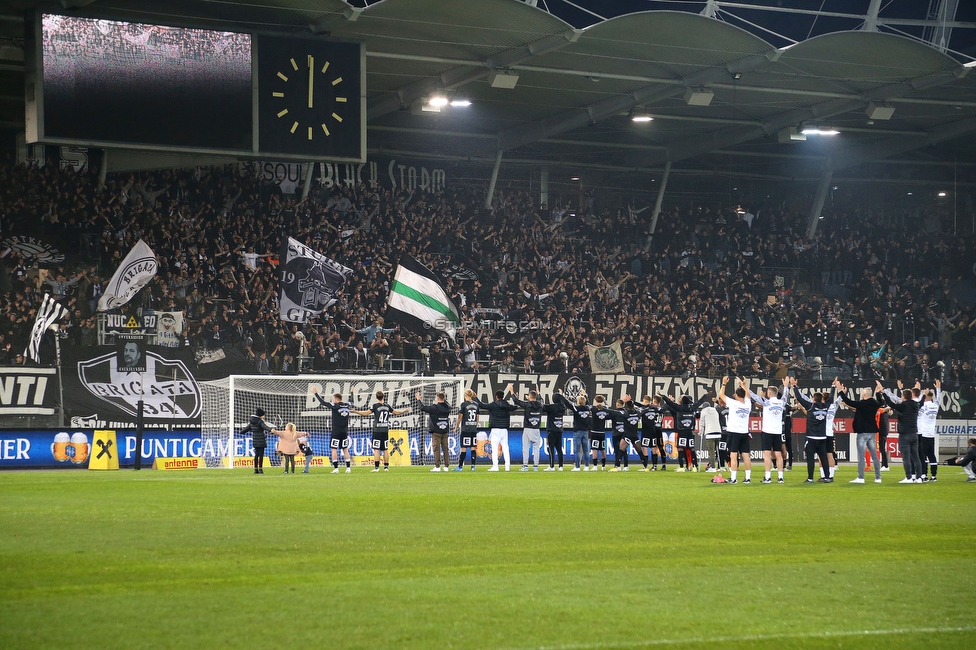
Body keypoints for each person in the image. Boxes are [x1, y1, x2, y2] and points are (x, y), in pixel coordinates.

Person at [352, 390, 411, 472]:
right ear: (383, 397)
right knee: (385, 449)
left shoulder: (375, 406)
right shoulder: (387, 406)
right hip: (385, 430)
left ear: (376, 397)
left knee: (376, 449)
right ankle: (386, 467)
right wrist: (404, 411)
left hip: (377, 430)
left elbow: (366, 413)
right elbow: (396, 412)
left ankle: (376, 468)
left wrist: (356, 411)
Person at [838, 379, 883, 484]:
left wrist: (841, 392)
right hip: (872, 432)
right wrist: (878, 393)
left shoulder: (862, 404)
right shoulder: (875, 403)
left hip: (862, 432)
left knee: (861, 455)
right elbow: (881, 402)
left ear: (864, 394)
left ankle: (861, 477)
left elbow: (849, 402)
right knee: (874, 455)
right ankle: (878, 477)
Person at [879, 381, 924, 484]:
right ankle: (919, 477)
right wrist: (922, 393)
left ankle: (908, 478)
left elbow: (890, 403)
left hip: (904, 434)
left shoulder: (903, 406)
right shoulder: (916, 405)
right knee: (916, 457)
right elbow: (921, 401)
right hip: (914, 434)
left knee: (906, 457)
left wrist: (883, 393)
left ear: (904, 397)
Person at [791, 383, 834, 484]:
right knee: (823, 458)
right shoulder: (825, 406)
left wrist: (794, 387)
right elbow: (831, 399)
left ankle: (810, 478)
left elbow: (800, 399)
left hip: (811, 438)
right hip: (822, 437)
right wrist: (833, 387)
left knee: (810, 459)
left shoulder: (810, 406)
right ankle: (827, 477)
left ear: (814, 399)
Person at [749, 378, 789, 484]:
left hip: (767, 432)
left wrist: (744, 386)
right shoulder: (782, 402)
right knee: (778, 454)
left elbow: (753, 395)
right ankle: (780, 477)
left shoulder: (766, 402)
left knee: (767, 455)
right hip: (777, 432)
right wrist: (786, 386)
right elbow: (786, 395)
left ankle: (768, 477)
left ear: (769, 393)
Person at [660, 392, 710, 472]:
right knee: (692, 449)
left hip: (682, 431)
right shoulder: (692, 408)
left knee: (680, 448)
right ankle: (695, 466)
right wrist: (705, 396)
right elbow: (699, 402)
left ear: (682, 402)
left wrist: (663, 396)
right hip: (690, 432)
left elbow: (670, 403)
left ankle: (681, 467)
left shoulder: (679, 408)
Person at [311, 387, 353, 474]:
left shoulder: (335, 406)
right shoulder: (347, 405)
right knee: (345, 449)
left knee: (334, 449)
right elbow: (352, 401)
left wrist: (315, 393)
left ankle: (336, 468)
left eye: (333, 399)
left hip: (336, 431)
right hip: (344, 431)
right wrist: (352, 392)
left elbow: (323, 402)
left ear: (335, 399)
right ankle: (348, 468)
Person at [721, 377, 753, 484]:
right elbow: (748, 394)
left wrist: (724, 383)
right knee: (746, 456)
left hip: (734, 432)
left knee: (733, 455)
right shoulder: (748, 404)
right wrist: (743, 384)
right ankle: (747, 478)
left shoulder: (734, 403)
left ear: (737, 395)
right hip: (744, 432)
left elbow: (721, 396)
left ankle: (733, 478)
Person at [481, 384, 518, 471]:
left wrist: (475, 398)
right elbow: (516, 407)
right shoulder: (507, 405)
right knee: (505, 448)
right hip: (504, 429)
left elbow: (482, 405)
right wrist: (516, 399)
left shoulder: (493, 405)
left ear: (496, 396)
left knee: (494, 448)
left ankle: (495, 466)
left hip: (495, 429)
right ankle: (507, 466)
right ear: (503, 396)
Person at [415, 390, 452, 472]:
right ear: (444, 398)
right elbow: (449, 405)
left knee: (436, 449)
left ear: (437, 398)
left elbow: (422, 408)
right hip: (445, 431)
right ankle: (446, 466)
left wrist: (418, 399)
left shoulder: (434, 407)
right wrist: (444, 398)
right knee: (446, 449)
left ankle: (437, 466)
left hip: (436, 432)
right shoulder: (447, 408)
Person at [511, 386, 544, 472]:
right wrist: (538, 393)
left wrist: (511, 391)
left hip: (528, 428)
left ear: (529, 397)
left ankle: (525, 466)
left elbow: (516, 401)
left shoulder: (527, 404)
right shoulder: (540, 404)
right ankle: (536, 466)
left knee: (525, 448)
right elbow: (541, 400)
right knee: (536, 448)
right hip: (536, 428)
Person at [917, 380, 941, 481]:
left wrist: (920, 392)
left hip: (923, 434)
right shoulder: (935, 405)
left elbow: (916, 404)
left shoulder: (924, 406)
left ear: (926, 396)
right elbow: (938, 399)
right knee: (932, 455)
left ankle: (924, 475)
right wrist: (938, 389)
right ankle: (934, 475)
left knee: (923, 456)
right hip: (931, 434)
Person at [454, 389, 483, 471]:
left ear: (465, 395)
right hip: (473, 429)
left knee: (463, 448)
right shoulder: (476, 404)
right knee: (473, 447)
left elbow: (460, 417)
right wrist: (475, 425)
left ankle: (460, 467)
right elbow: (477, 417)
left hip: (465, 429)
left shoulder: (463, 404)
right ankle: (473, 466)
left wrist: (456, 426)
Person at [542, 390, 570, 471]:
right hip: (559, 430)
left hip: (551, 430)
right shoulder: (563, 407)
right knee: (559, 449)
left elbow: (542, 406)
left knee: (550, 448)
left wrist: (540, 396)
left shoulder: (551, 407)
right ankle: (561, 466)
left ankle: (551, 466)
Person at [638, 395, 667, 471]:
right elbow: (663, 409)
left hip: (649, 430)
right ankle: (656, 466)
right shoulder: (657, 409)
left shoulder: (649, 408)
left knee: (647, 447)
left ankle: (646, 467)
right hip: (655, 430)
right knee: (655, 447)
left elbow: (642, 408)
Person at [565, 392, 592, 471]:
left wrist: (565, 397)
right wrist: (586, 396)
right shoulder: (587, 408)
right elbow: (588, 404)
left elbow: (568, 404)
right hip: (585, 432)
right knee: (586, 450)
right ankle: (587, 466)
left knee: (577, 450)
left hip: (577, 431)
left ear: (578, 402)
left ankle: (577, 466)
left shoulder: (576, 408)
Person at [246, 407, 274, 475]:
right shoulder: (260, 421)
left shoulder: (251, 422)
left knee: (256, 455)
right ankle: (260, 469)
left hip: (255, 440)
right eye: (263, 415)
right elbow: (264, 427)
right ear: (261, 415)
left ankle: (255, 469)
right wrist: (270, 430)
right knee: (261, 455)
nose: (264, 416)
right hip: (261, 440)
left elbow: (245, 430)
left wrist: (245, 431)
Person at [588, 395, 611, 471]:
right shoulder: (604, 409)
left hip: (595, 432)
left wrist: (585, 395)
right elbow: (608, 406)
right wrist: (604, 401)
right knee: (602, 449)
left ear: (595, 400)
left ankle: (595, 466)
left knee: (594, 449)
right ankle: (603, 466)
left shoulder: (594, 409)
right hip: (602, 432)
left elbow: (588, 405)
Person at [699, 397, 722, 472]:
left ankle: (712, 467)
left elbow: (702, 423)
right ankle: (719, 465)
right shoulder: (715, 410)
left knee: (711, 451)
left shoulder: (703, 411)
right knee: (716, 450)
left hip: (710, 433)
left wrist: (701, 432)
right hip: (718, 432)